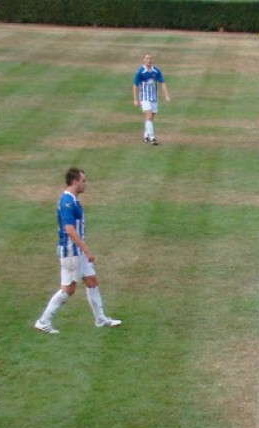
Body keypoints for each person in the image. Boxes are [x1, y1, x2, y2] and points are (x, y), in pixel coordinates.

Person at [34, 167, 121, 334]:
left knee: (92, 281)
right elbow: (69, 229)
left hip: (75, 252)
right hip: (71, 253)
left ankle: (100, 319)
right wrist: (86, 250)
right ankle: (43, 321)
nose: (85, 184)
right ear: (75, 181)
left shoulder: (72, 200)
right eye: (83, 181)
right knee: (68, 290)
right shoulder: (67, 202)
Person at [132, 53, 171, 146]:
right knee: (149, 116)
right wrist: (135, 99)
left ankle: (146, 136)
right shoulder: (140, 72)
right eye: (147, 58)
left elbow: (162, 82)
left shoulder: (156, 71)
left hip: (154, 98)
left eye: (150, 58)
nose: (149, 60)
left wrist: (167, 95)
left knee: (150, 118)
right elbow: (135, 85)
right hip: (144, 98)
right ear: (143, 60)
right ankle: (152, 138)